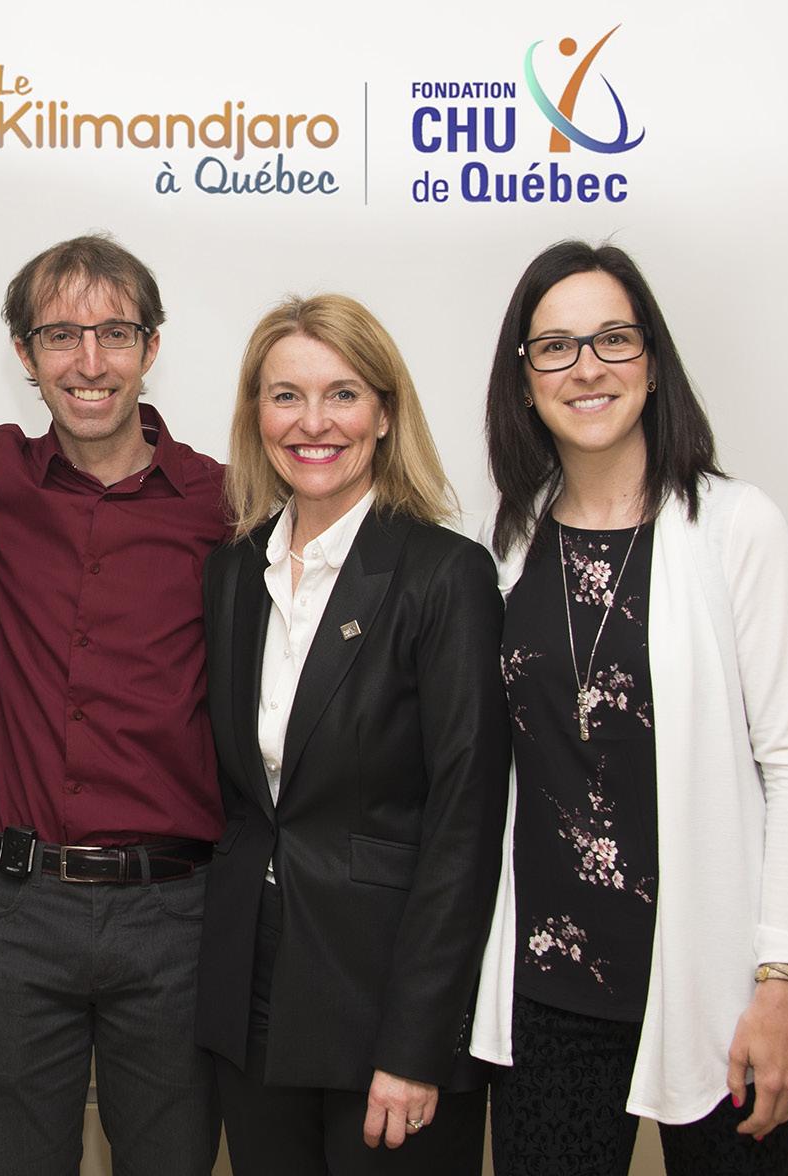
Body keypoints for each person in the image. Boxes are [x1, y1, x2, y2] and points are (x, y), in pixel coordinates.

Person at [469, 240, 788, 1174]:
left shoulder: (735, 527)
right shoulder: (505, 540)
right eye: (555, 347)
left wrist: (785, 983)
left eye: (613, 340)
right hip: (545, 997)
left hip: (719, 994)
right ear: (524, 379)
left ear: (654, 363)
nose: (585, 367)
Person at [0, 235, 228, 1174]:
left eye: (115, 333)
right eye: (60, 335)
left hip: (175, 917)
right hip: (14, 914)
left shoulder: (223, 505)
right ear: (24, 353)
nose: (89, 362)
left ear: (151, 346)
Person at [196, 295, 509, 1174]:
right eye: (284, 396)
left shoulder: (444, 575)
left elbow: (463, 826)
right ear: (255, 416)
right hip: (251, 998)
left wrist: (416, 1044)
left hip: (383, 1005)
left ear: (383, 413)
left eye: (341, 394)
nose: (312, 422)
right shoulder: (233, 572)